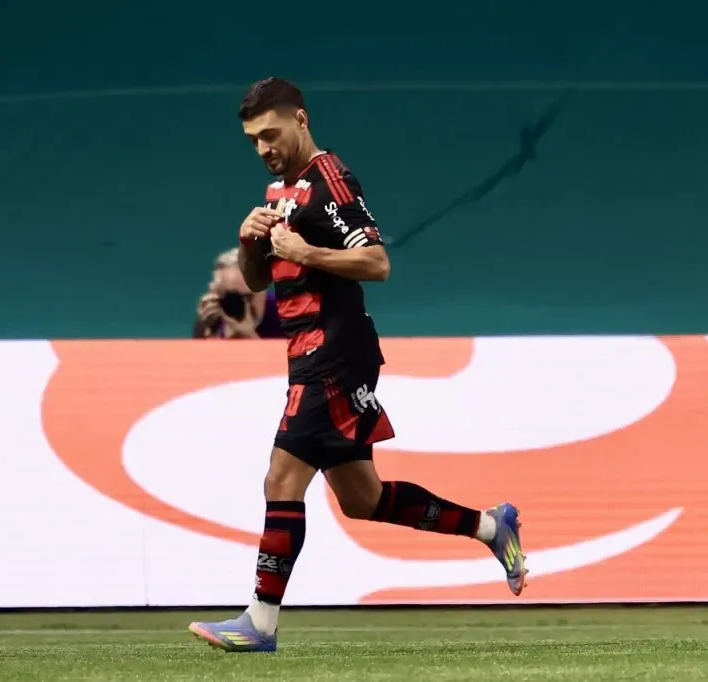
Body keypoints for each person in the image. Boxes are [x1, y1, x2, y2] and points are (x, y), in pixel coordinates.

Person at [188, 78, 527, 653]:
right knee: (361, 499)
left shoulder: (331, 180)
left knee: (281, 477)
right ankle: (494, 526)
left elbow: (377, 262)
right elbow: (256, 279)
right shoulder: (283, 192)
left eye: (271, 133)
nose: (264, 147)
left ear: (300, 119)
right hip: (308, 356)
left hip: (334, 354)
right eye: (253, 140)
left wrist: (308, 252)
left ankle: (260, 623)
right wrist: (251, 243)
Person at [193, 247, 283, 339]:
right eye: (235, 297)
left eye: (248, 297)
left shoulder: (288, 313)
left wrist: (248, 334)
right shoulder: (212, 319)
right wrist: (210, 335)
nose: (245, 306)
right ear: (217, 294)